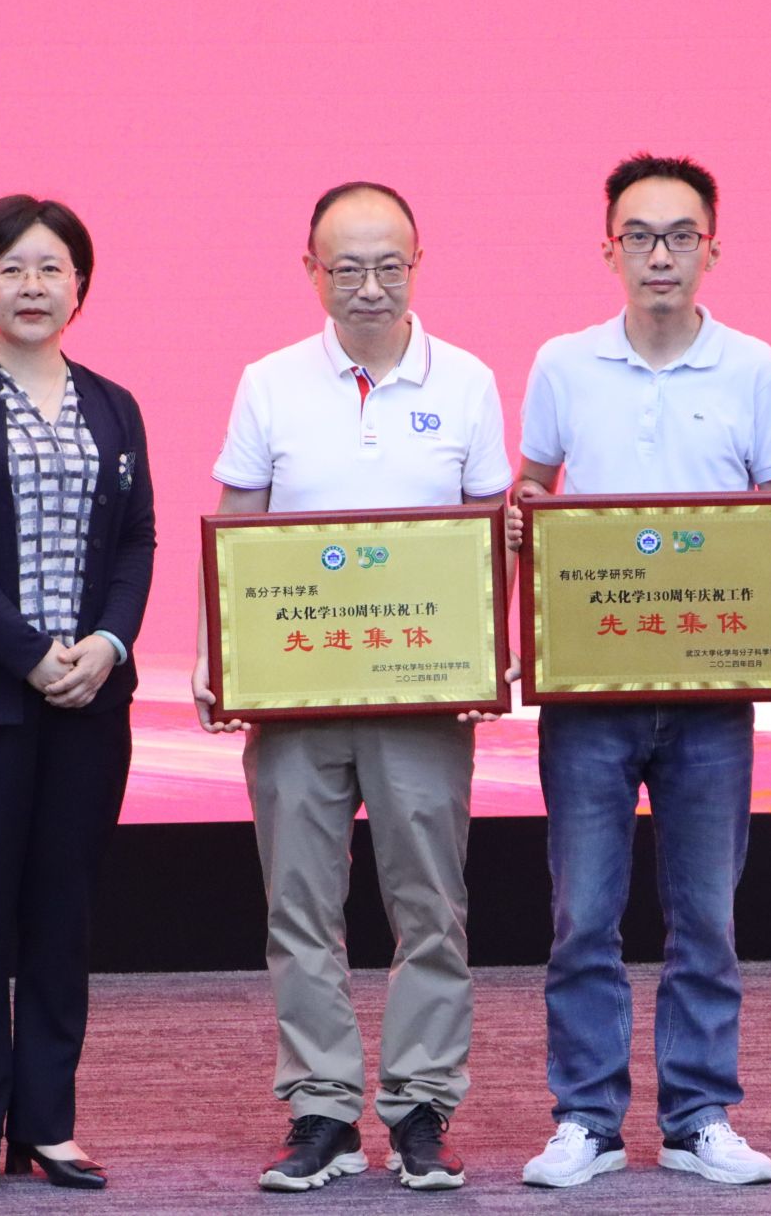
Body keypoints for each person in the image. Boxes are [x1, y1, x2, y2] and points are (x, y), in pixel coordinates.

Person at [508, 154, 771, 1190]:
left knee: (706, 920)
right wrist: (520, 521)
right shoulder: (562, 364)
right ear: (608, 249)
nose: (660, 254)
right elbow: (530, 489)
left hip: (710, 696)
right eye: (639, 236)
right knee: (582, 918)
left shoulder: (753, 368)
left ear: (710, 250)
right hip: (589, 696)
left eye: (680, 235)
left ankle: (698, 1118)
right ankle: (586, 1120)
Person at [192, 182, 512, 1192]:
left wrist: (489, 653)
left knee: (430, 905)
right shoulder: (269, 383)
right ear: (311, 271)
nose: (369, 286)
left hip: (422, 694)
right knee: (298, 906)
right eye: (347, 268)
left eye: (388, 266)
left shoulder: (468, 381)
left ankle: (420, 1107)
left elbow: (488, 541)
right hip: (296, 696)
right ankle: (322, 1110)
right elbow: (235, 528)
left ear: (417, 265)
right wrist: (214, 657)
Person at [0, 194, 155, 1196]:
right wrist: (28, 655)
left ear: (80, 284)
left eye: (51, 267)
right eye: (10, 269)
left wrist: (105, 643)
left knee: (62, 914)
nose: (32, 286)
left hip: (89, 704)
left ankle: (48, 1123)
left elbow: (134, 541)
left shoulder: (114, 405)